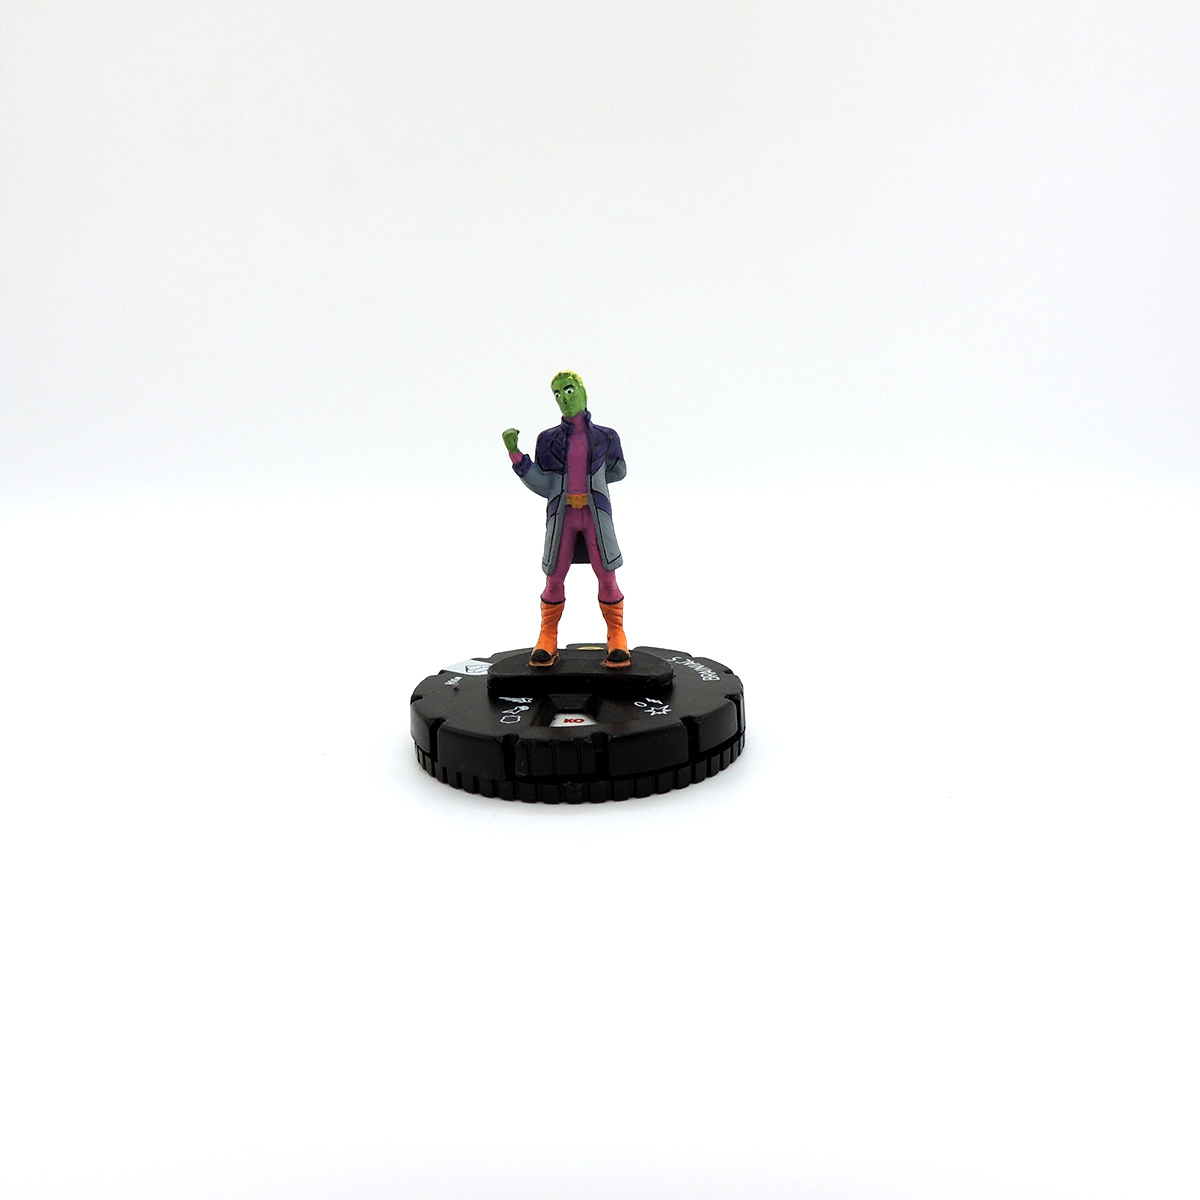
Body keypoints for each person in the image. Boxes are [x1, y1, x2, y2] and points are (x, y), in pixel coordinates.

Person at [503, 371, 629, 668]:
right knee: (554, 576)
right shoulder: (548, 440)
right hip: (562, 517)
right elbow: (543, 483)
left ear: (584, 393)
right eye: (557, 394)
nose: (563, 399)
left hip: (595, 515)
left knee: (607, 574)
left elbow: (619, 471)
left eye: (569, 391)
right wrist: (516, 455)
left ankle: (617, 635)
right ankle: (547, 636)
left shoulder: (607, 437)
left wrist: (595, 483)